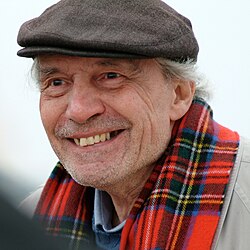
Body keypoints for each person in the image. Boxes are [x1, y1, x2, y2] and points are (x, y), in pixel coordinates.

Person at [16, 0, 250, 249]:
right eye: (57, 82)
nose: (79, 111)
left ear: (179, 95)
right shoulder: (30, 220)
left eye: (111, 77)